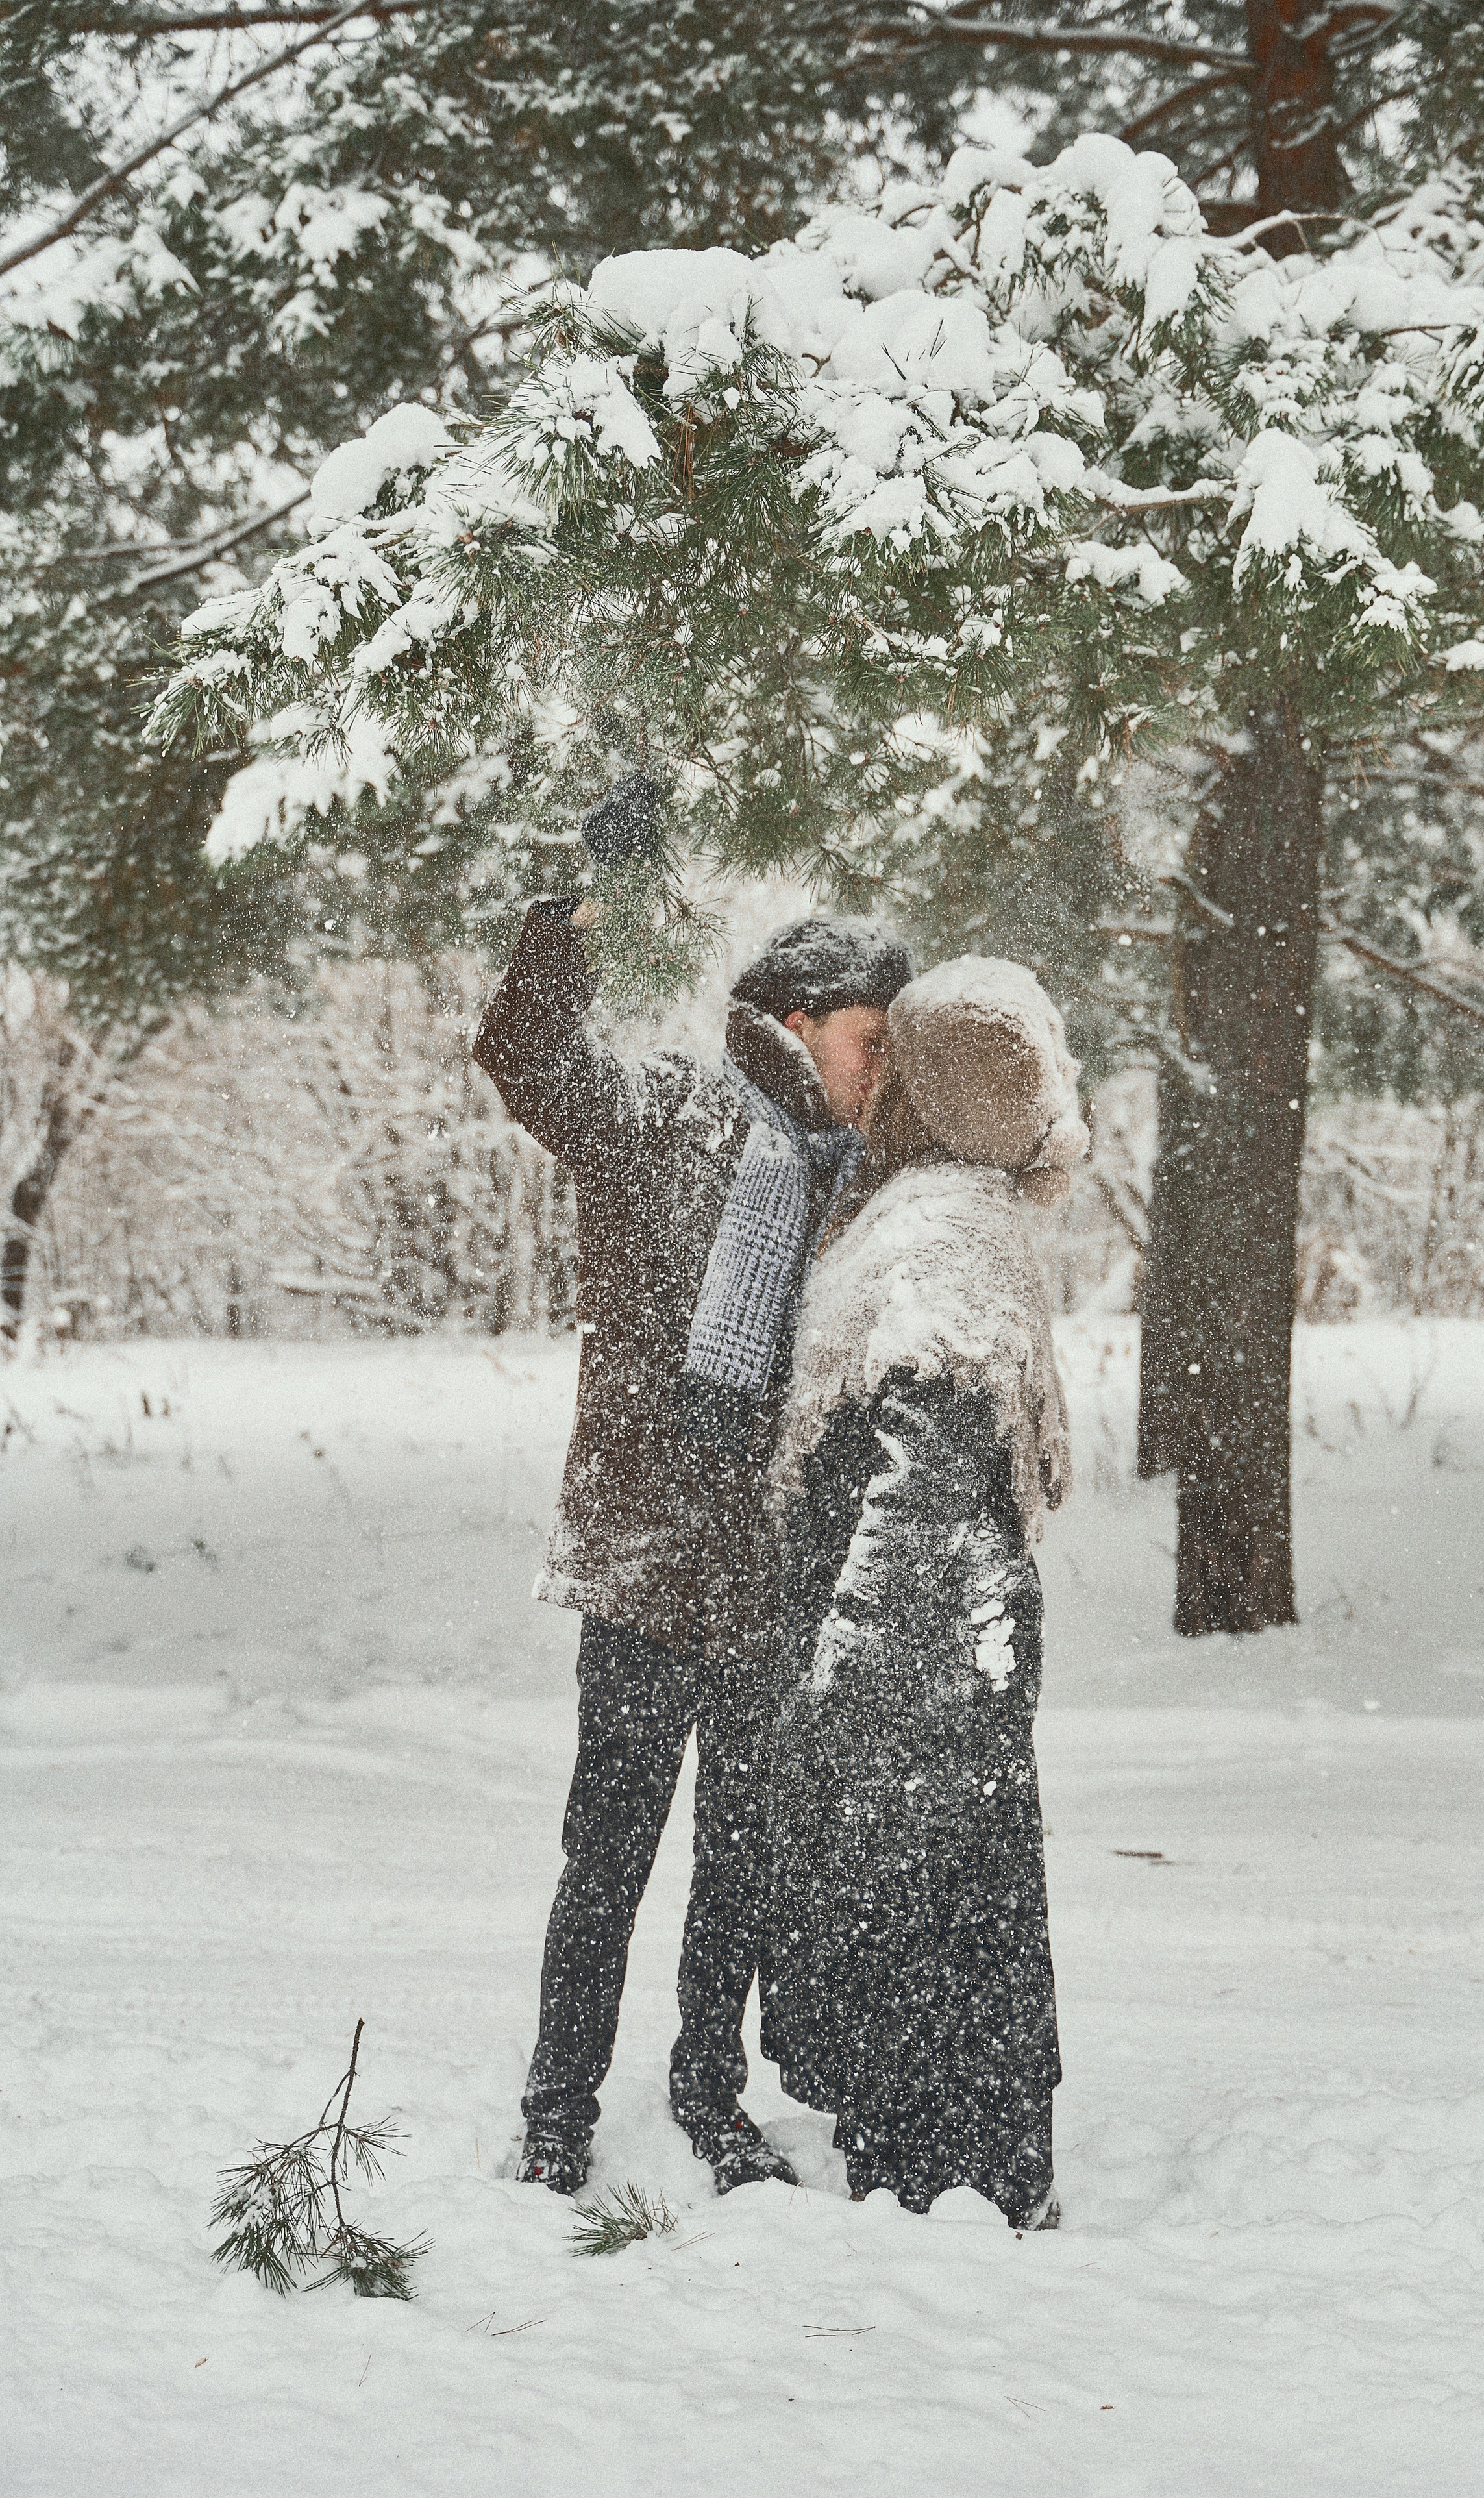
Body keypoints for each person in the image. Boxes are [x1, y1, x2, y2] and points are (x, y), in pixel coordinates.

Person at [471, 778, 913, 2197]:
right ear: (796, 1023)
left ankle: (709, 2095)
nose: (878, 1070)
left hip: (773, 1568)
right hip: (651, 1547)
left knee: (739, 1856)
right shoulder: (663, 1113)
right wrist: (593, 907)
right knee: (607, 1846)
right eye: (865, 1042)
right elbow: (528, 1054)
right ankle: (555, 2110)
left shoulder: (863, 1185)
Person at [762, 956, 1089, 2229]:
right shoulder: (952, 1217)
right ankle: (968, 2167)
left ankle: (952, 2183)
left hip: (925, 1653)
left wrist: (850, 1653)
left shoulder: (934, 1223)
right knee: (968, 1925)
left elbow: (921, 1446)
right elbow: (921, 1446)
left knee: (931, 1930)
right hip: (944, 1645)